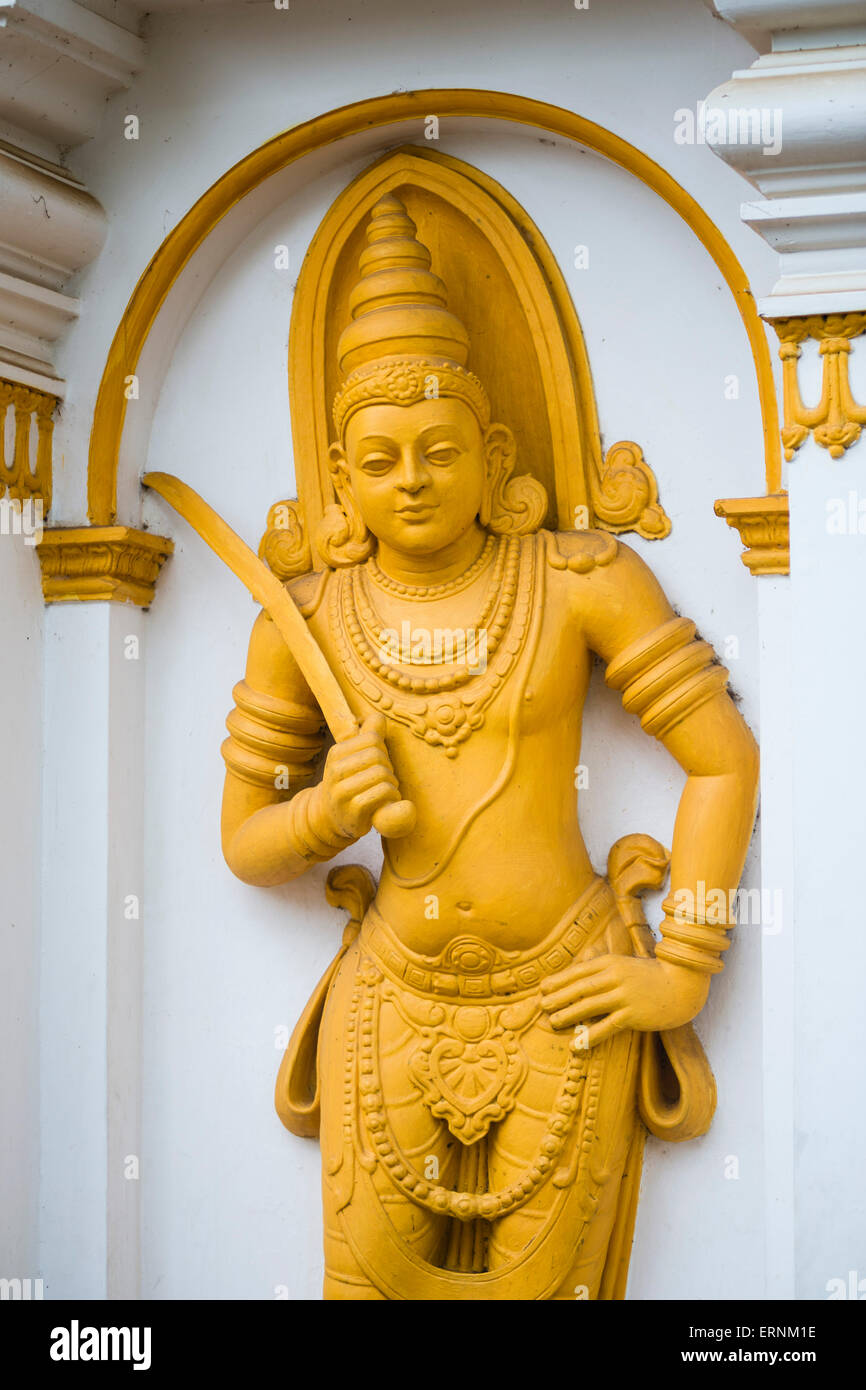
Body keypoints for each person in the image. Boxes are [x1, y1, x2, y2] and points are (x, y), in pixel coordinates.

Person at [219, 195, 759, 1300]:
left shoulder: (579, 584)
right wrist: (324, 813)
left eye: (437, 449)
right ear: (341, 475)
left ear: (492, 448)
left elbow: (721, 759)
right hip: (388, 1002)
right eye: (377, 459)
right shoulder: (302, 618)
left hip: (561, 988)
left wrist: (683, 973)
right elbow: (243, 841)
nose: (409, 478)